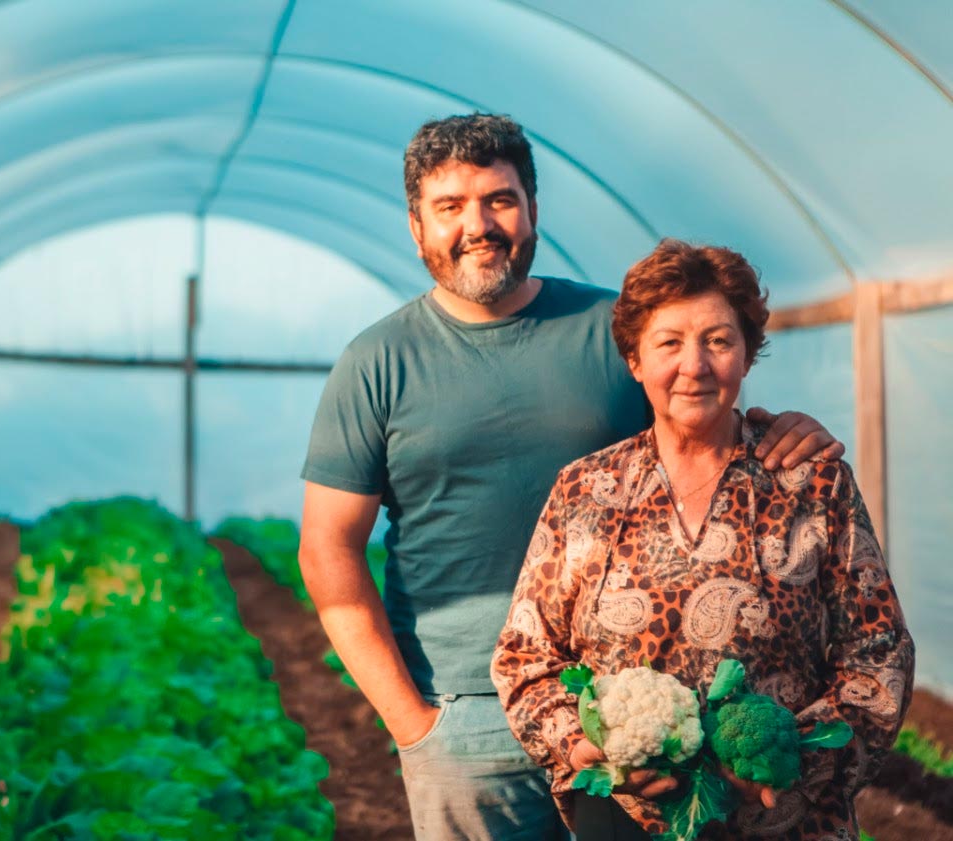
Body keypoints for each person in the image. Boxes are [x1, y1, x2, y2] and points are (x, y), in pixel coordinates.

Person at [298, 113, 843, 840]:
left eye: (499, 199)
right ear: (416, 227)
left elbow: (700, 410)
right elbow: (328, 549)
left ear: (531, 210)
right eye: (450, 206)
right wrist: (413, 721)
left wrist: (780, 428)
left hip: (635, 710)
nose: (478, 224)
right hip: (466, 713)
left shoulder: (609, 328)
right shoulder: (377, 363)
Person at [491, 239, 914, 840]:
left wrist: (784, 762)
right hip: (622, 821)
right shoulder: (584, 492)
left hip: (781, 822)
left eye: (719, 340)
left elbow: (880, 654)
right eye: (669, 343)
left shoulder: (812, 485)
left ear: (747, 356)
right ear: (635, 360)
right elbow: (524, 657)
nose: (695, 365)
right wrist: (579, 743)